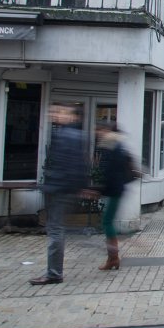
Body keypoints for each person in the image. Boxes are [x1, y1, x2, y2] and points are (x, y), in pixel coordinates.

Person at [30, 104, 90, 285]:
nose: (54, 114)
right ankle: (54, 272)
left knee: (56, 230)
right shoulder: (72, 135)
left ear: (71, 116)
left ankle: (54, 273)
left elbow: (70, 165)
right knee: (57, 229)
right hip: (63, 188)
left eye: (59, 112)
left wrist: (55, 184)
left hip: (60, 190)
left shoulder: (66, 136)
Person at [92, 121, 134, 271]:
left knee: (107, 222)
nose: (97, 133)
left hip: (114, 189)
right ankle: (112, 258)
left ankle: (113, 257)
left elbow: (110, 171)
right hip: (116, 188)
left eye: (99, 130)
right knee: (108, 222)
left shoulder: (111, 146)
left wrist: (102, 189)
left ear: (105, 130)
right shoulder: (117, 145)